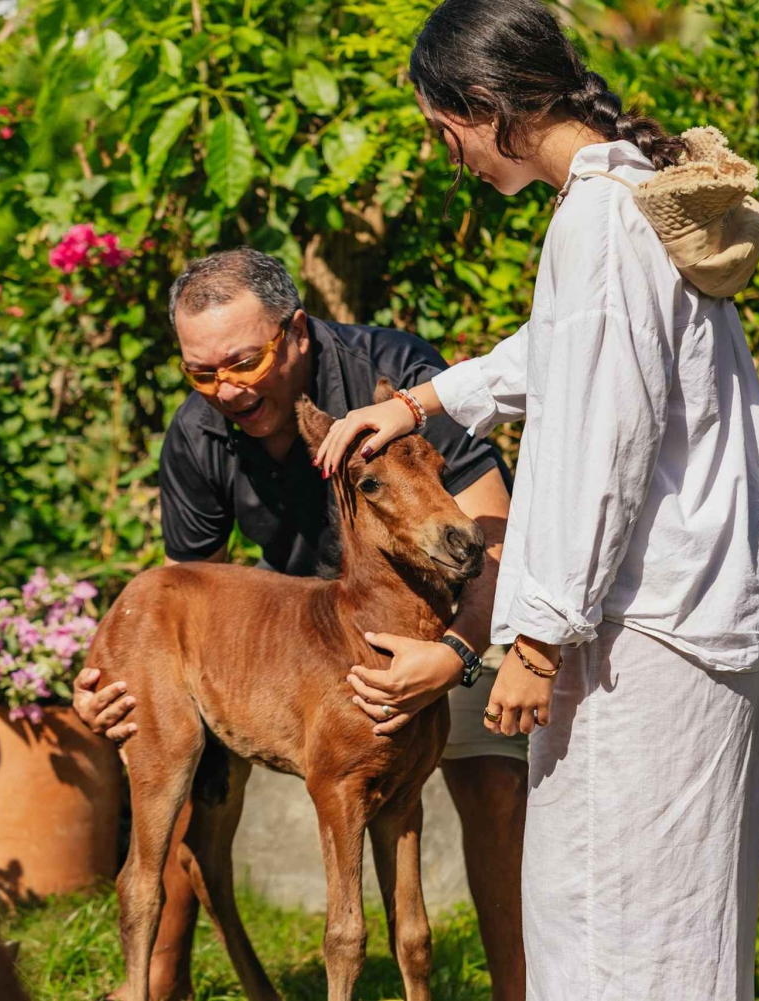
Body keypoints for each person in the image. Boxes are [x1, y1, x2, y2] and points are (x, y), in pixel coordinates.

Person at [313, 1, 759, 999]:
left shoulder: (598, 223)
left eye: (441, 130)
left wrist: (535, 639)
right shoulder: (627, 200)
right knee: (673, 910)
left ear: (485, 106)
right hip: (688, 612)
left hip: (649, 631)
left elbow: (601, 445)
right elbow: (567, 355)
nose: (445, 153)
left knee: (618, 921)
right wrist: (418, 399)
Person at [72, 247, 528, 1001]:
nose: (226, 388)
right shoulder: (198, 435)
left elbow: (492, 534)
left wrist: (453, 656)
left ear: (298, 334)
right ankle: (159, 977)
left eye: (244, 361)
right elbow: (194, 591)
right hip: (315, 633)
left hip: (461, 609)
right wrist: (121, 683)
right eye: (202, 372)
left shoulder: (394, 375)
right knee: (188, 773)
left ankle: (519, 988)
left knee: (489, 778)